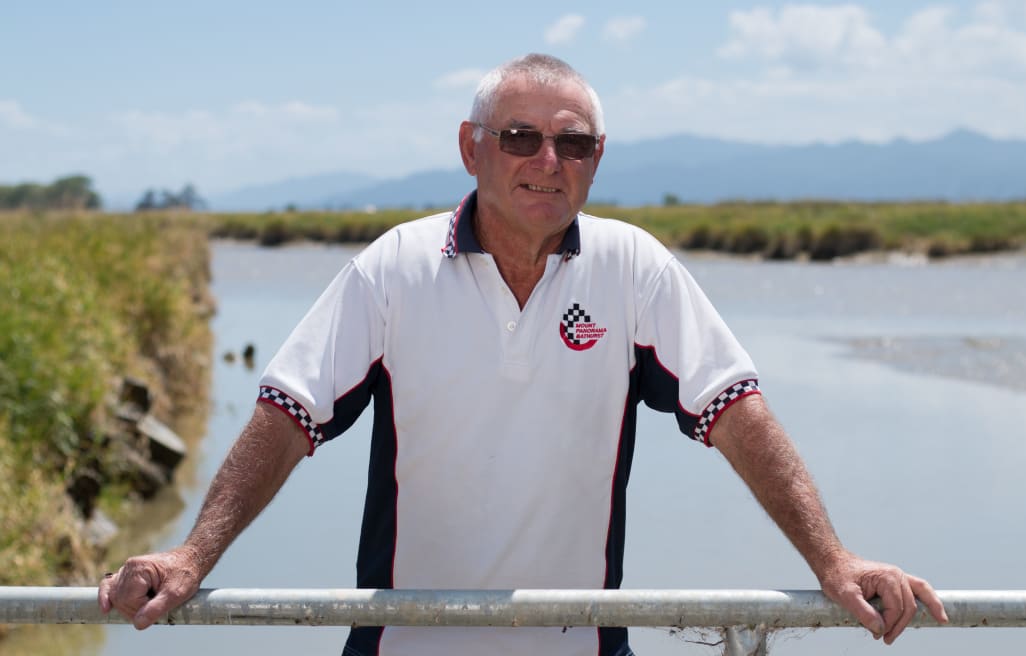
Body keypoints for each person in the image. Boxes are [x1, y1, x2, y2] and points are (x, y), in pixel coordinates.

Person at [98, 53, 948, 655]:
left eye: (572, 143)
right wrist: (191, 556)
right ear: (471, 148)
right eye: (519, 138)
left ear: (597, 160)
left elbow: (738, 413)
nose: (548, 161)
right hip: (404, 644)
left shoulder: (634, 267)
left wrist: (834, 561)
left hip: (580, 644)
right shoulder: (394, 266)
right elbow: (286, 415)